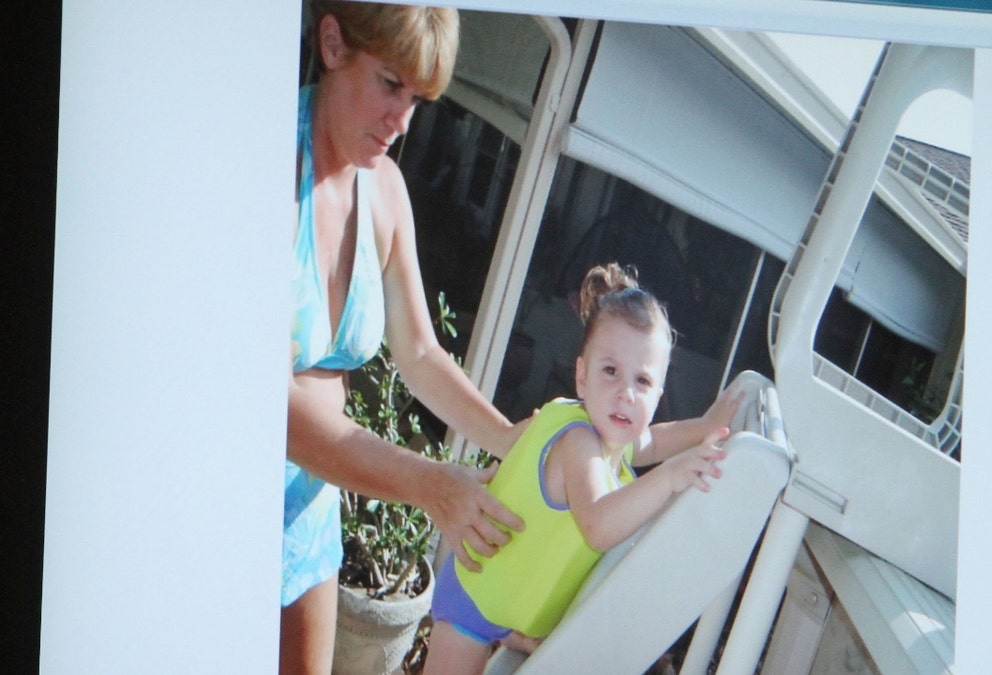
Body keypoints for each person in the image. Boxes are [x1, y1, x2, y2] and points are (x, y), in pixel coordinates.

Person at [284, 3, 526, 673]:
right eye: (391, 83)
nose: (403, 120)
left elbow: (420, 354)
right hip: (218, 495)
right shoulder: (262, 159)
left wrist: (517, 447)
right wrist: (433, 484)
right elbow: (266, 404)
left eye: (418, 99)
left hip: (307, 516)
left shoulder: (386, 191)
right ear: (332, 43)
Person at [423, 263, 743, 675]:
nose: (625, 394)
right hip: (475, 597)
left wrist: (704, 427)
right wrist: (670, 476)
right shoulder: (579, 442)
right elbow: (598, 524)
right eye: (611, 372)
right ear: (582, 376)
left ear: (658, 394)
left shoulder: (616, 440)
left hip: (510, 601)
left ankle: (512, 631)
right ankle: (506, 630)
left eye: (642, 381)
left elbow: (655, 441)